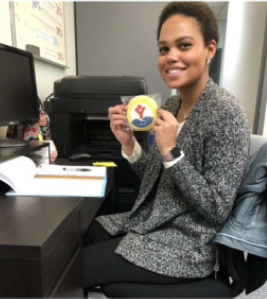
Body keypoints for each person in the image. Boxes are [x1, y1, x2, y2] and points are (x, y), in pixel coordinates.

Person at [82, 1, 250, 290]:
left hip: (187, 244)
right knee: (84, 233)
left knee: (75, 268)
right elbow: (158, 178)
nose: (171, 56)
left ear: (210, 49)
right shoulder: (173, 104)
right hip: (153, 220)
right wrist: (129, 143)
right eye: (164, 49)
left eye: (184, 45)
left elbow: (217, 208)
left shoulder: (226, 113)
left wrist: (171, 151)